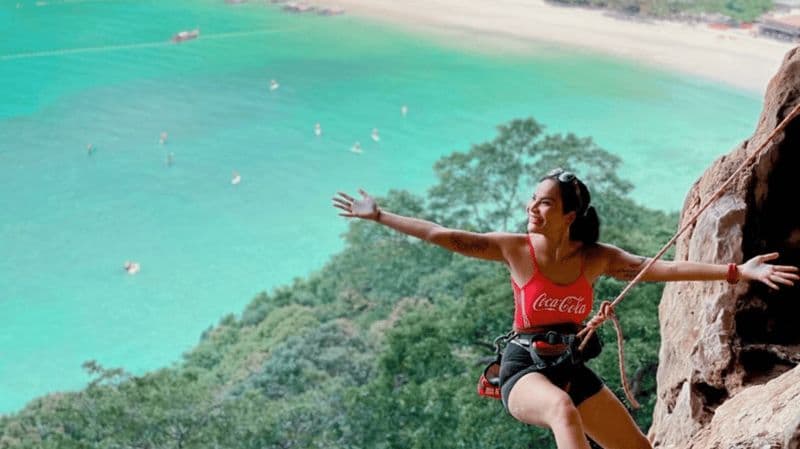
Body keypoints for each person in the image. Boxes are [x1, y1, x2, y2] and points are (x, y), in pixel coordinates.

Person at [332, 169, 798, 449]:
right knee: (560, 409)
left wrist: (738, 272)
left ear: (570, 215)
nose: (533, 208)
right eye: (533, 199)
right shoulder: (516, 249)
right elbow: (443, 235)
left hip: (571, 367)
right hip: (524, 368)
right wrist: (379, 216)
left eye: (545, 203)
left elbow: (660, 269)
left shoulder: (595, 257)